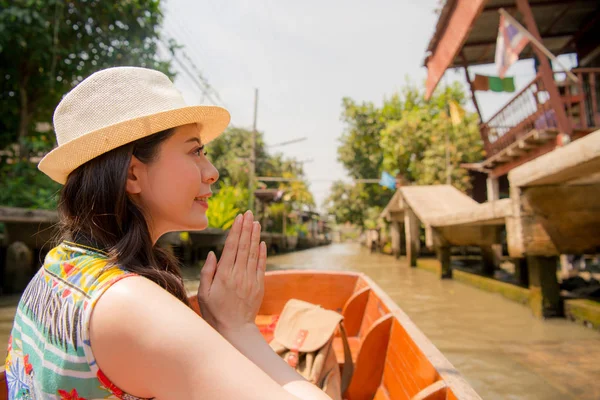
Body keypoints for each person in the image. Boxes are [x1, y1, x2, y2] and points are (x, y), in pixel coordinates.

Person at [4, 67, 332, 400]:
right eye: (195, 151)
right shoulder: (130, 306)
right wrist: (238, 327)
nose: (212, 172)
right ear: (133, 174)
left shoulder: (59, 265)